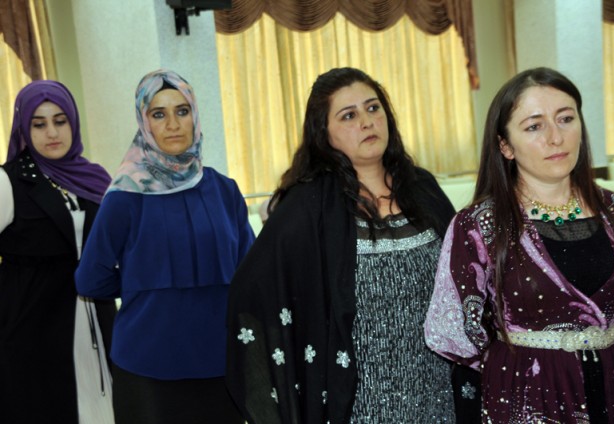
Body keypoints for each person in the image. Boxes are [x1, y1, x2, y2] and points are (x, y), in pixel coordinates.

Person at [226, 67, 465, 423]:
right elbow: (253, 290)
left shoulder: (422, 188)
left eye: (373, 108)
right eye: (349, 116)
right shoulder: (309, 205)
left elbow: (464, 275)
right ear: (323, 133)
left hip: (437, 392)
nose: (367, 122)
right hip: (355, 402)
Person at [425, 67, 614, 423]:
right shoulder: (479, 225)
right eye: (534, 126)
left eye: (566, 119)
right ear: (505, 146)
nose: (556, 138)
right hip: (529, 391)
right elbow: (451, 331)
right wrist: (517, 359)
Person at [74, 69, 255, 424]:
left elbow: (250, 272)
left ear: (195, 116)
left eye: (182, 111)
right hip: (147, 368)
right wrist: (140, 283)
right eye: (159, 114)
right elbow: (89, 279)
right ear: (145, 123)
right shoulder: (125, 196)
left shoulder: (224, 190)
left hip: (221, 365)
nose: (173, 124)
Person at [0, 80, 115, 423]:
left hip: (98, 319)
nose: (52, 132)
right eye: (39, 124)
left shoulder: (94, 179)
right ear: (24, 128)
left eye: (60, 121)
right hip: (34, 327)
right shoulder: (9, 182)